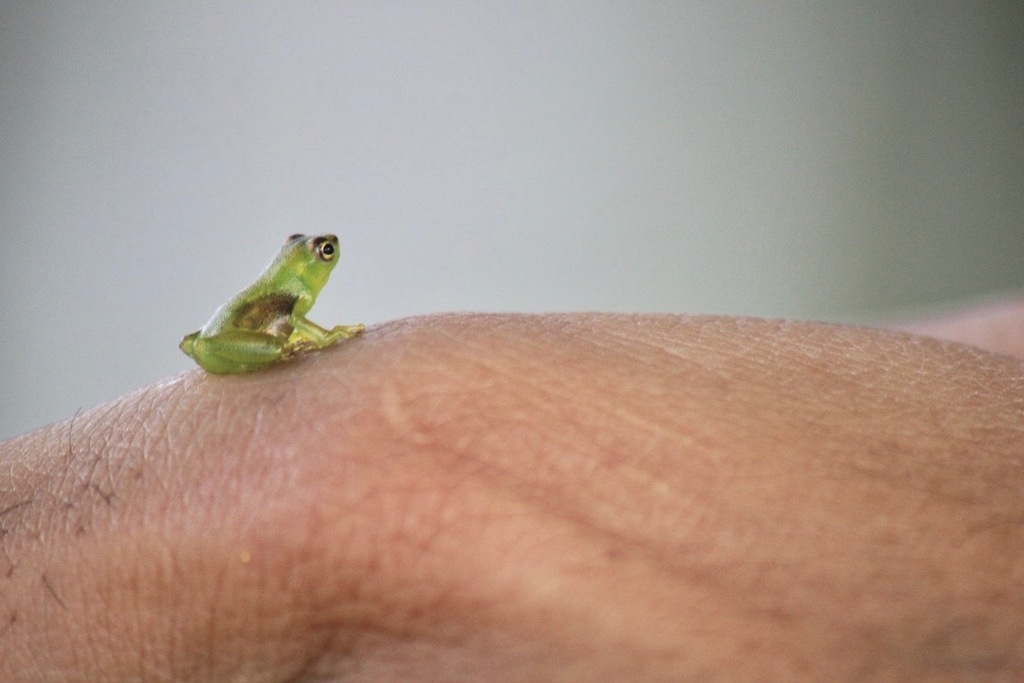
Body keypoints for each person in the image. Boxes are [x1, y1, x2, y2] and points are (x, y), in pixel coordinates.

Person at [2, 303, 1023, 680]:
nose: (321, 260)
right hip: (248, 352)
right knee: (384, 479)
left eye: (321, 252)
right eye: (315, 251)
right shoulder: (295, 317)